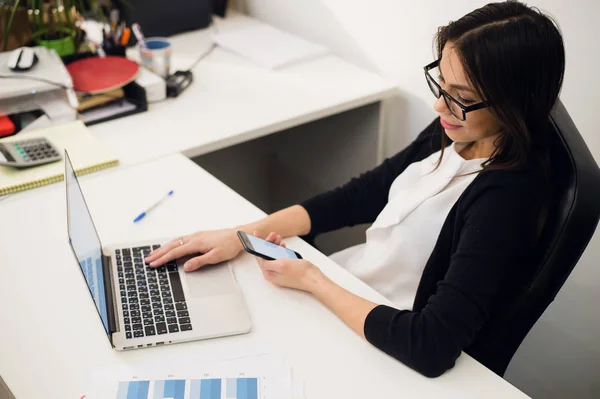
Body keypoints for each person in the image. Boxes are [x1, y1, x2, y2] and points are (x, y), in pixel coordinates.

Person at [145, 1, 565, 377]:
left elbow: (431, 345)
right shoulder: (460, 131)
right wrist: (244, 233)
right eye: (441, 84)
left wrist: (313, 279)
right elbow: (363, 193)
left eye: (461, 96)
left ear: (515, 103)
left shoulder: (506, 200)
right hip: (345, 291)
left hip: (379, 343)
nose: (439, 105)